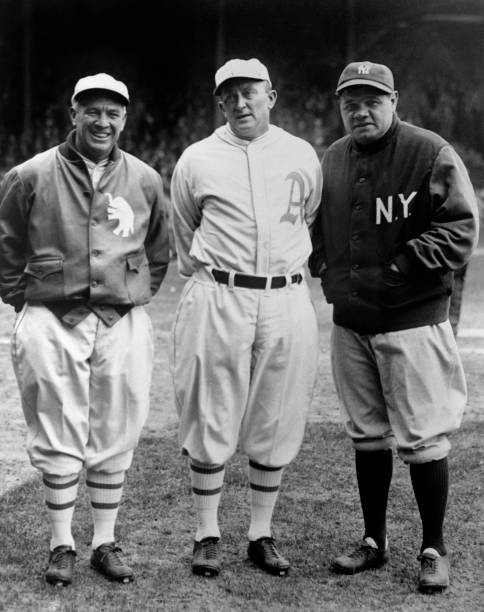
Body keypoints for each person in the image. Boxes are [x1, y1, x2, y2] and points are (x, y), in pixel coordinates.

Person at [309, 61, 479, 593]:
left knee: (425, 438)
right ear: (340, 106)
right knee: (366, 433)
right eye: (350, 102)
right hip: (352, 321)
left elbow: (460, 229)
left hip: (412, 320)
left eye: (372, 100)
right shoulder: (333, 158)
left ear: (394, 100)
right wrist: (319, 264)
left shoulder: (429, 151)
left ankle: (433, 547)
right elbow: (316, 231)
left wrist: (403, 265)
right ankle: (373, 541)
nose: (360, 110)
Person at [0, 73, 170, 586]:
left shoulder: (144, 177)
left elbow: (158, 252)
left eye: (113, 112)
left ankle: (103, 541)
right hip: (52, 316)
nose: (102, 121)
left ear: (125, 117)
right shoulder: (30, 173)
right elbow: (6, 247)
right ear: (73, 112)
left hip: (121, 317)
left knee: (118, 424)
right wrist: (26, 300)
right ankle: (61, 543)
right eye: (91, 110)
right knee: (55, 425)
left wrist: (131, 290)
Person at [170, 58, 322, 578]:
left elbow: (310, 216)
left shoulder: (301, 154)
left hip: (286, 295)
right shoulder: (197, 158)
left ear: (271, 96)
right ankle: (206, 534)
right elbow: (184, 232)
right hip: (219, 293)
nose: (240, 103)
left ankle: (261, 533)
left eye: (250, 92)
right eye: (229, 95)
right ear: (219, 102)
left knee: (275, 415)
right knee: (211, 412)